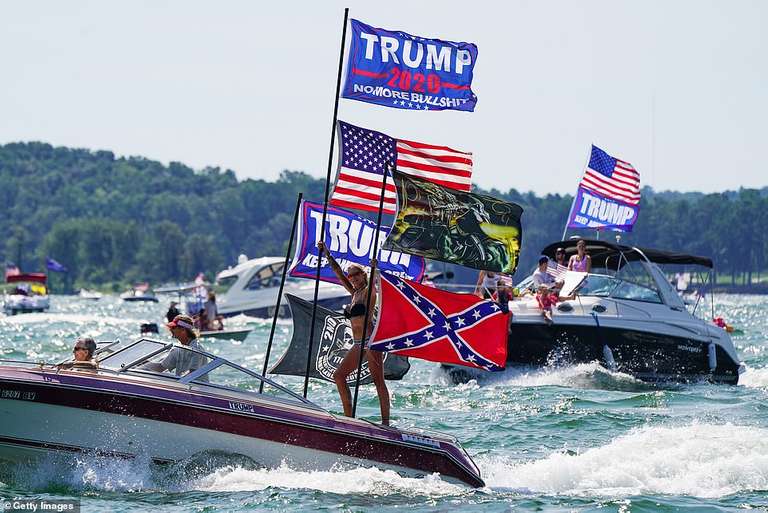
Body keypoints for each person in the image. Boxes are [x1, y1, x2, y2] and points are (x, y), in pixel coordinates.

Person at [318, 241, 390, 426]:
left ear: (363, 275)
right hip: (357, 344)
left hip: (371, 342)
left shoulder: (367, 293)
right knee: (339, 376)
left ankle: (385, 423)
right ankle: (349, 419)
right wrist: (327, 254)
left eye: (356, 274)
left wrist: (374, 268)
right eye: (351, 276)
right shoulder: (354, 293)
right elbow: (339, 275)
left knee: (378, 382)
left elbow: (374, 285)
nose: (352, 278)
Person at [143, 314, 208, 378]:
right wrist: (143, 364)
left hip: (196, 387)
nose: (170, 329)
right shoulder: (178, 349)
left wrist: (176, 381)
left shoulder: (196, 349)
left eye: (174, 327)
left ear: (183, 330)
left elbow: (193, 373)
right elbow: (161, 367)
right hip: (183, 385)